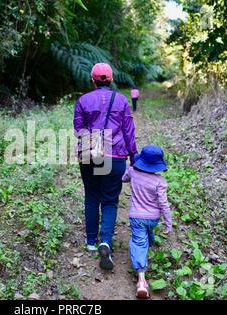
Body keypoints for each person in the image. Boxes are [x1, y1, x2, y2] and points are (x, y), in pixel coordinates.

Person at [73, 62, 137, 270]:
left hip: (90, 154)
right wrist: (133, 156)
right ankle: (105, 241)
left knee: (91, 195)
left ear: (92, 80)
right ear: (110, 80)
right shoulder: (121, 100)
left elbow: (78, 129)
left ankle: (91, 241)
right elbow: (128, 130)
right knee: (110, 200)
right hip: (115, 155)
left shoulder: (83, 100)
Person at [121, 145, 172, 298]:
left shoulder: (133, 173)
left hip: (137, 217)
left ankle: (141, 280)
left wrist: (130, 167)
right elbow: (164, 203)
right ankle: (148, 246)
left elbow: (123, 179)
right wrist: (168, 222)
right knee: (147, 233)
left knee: (138, 242)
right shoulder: (160, 181)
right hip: (153, 218)